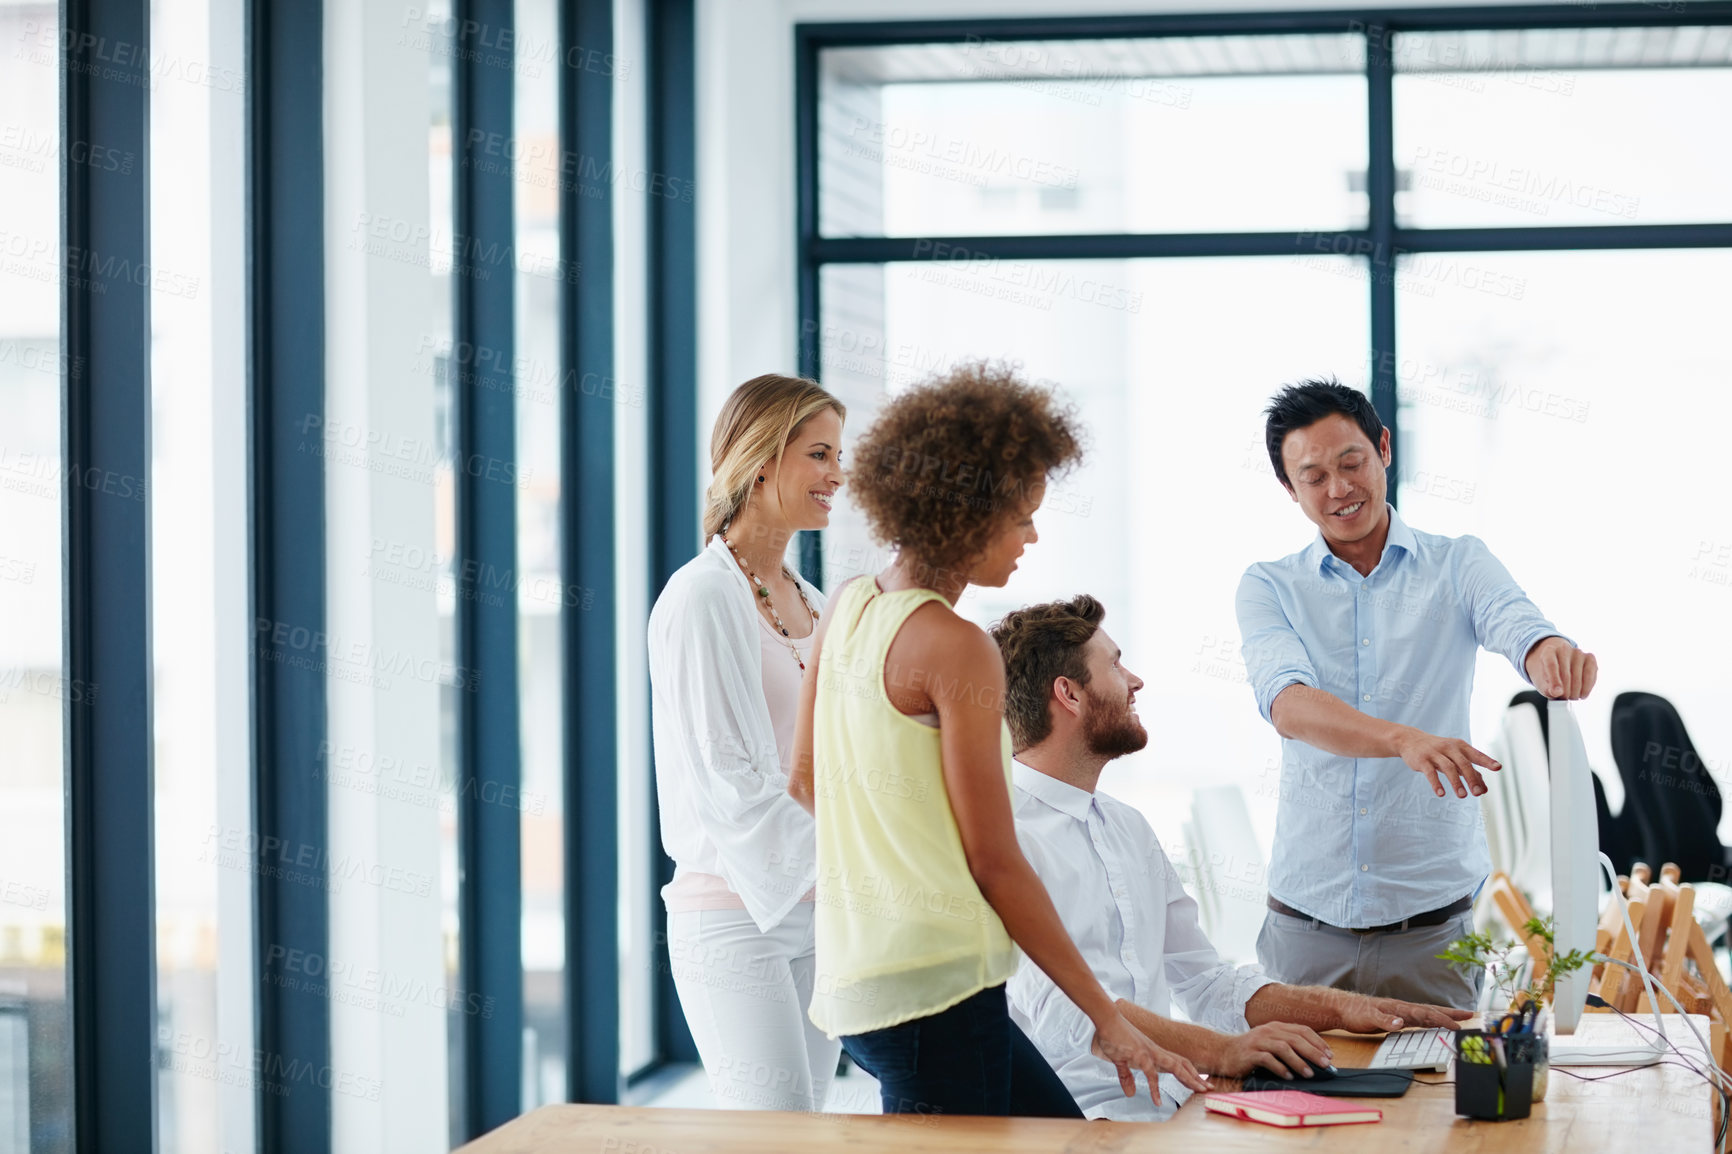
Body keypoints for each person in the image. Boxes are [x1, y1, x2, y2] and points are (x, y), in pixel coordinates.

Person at [787, 362, 1208, 1120]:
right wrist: (1106, 1019)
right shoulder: (956, 645)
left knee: (1057, 1133)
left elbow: (807, 782)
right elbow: (996, 861)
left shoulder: (848, 605)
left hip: (860, 980)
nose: (1031, 535)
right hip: (937, 984)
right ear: (968, 514)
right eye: (1021, 517)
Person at [990, 595, 1470, 1121]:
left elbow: (1204, 981)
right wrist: (1220, 1050)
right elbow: (1065, 1013)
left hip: (1176, 1102)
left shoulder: (1125, 826)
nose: (1135, 681)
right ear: (1069, 694)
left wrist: (1346, 1008)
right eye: (1114, 664)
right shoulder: (1004, 838)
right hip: (1084, 1119)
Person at [1238, 379, 1597, 1007]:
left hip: (1434, 933)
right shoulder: (1269, 586)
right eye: (1314, 476)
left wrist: (1545, 652)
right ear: (1289, 489)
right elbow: (1289, 705)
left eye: (1351, 463)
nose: (1339, 489)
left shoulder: (1457, 564)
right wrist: (1402, 740)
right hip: (1305, 931)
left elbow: (1514, 618)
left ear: (1383, 448)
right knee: (1299, 1102)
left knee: (1444, 1103)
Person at [647, 373, 847, 1111]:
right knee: (772, 1133)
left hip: (818, 908)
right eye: (820, 454)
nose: (838, 474)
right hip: (734, 916)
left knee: (806, 1127)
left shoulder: (816, 602)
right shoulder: (702, 596)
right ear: (762, 460)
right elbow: (729, 777)